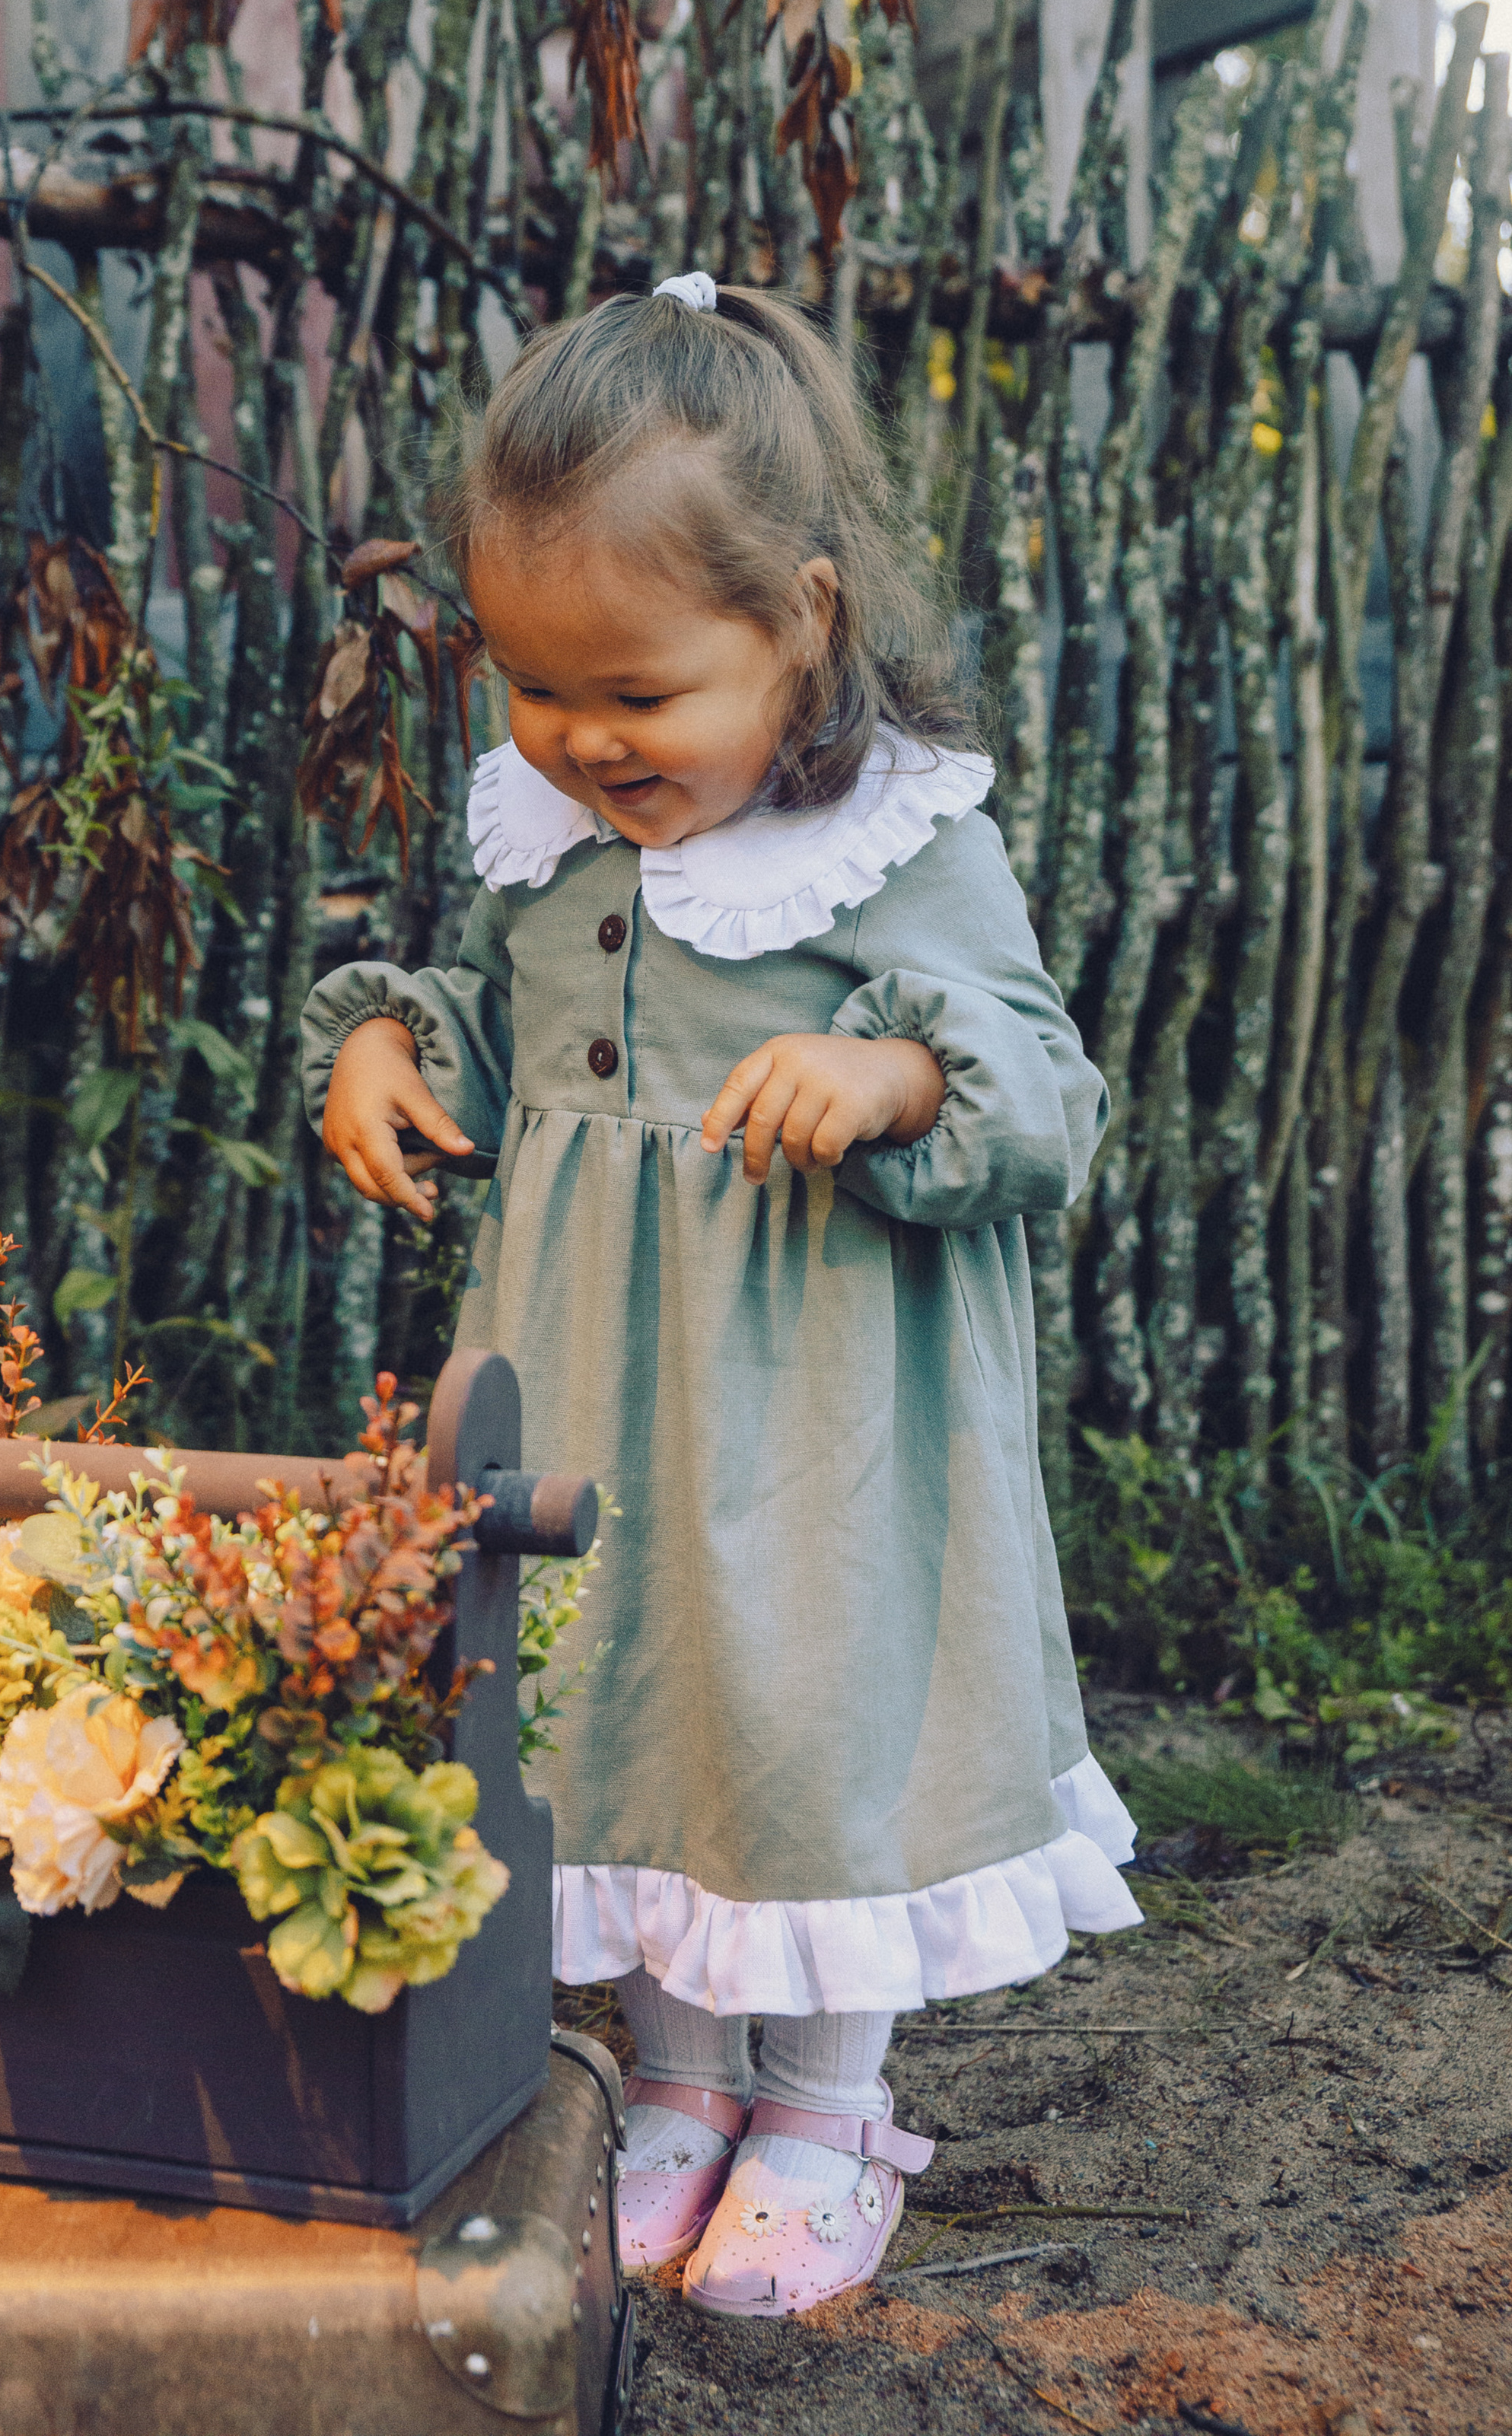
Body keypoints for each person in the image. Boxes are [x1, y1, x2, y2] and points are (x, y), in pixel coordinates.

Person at [301, 274, 1141, 2320]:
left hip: (827, 1403)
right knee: (629, 1705)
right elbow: (530, 1053)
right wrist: (393, 1051)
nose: (585, 742)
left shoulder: (893, 847)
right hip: (598, 1382)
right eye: (533, 687)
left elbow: (1046, 1083)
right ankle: (674, 2082)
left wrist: (893, 1073)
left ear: (808, 624)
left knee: (807, 1715)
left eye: (642, 693)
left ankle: (833, 2107)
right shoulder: (564, 838)